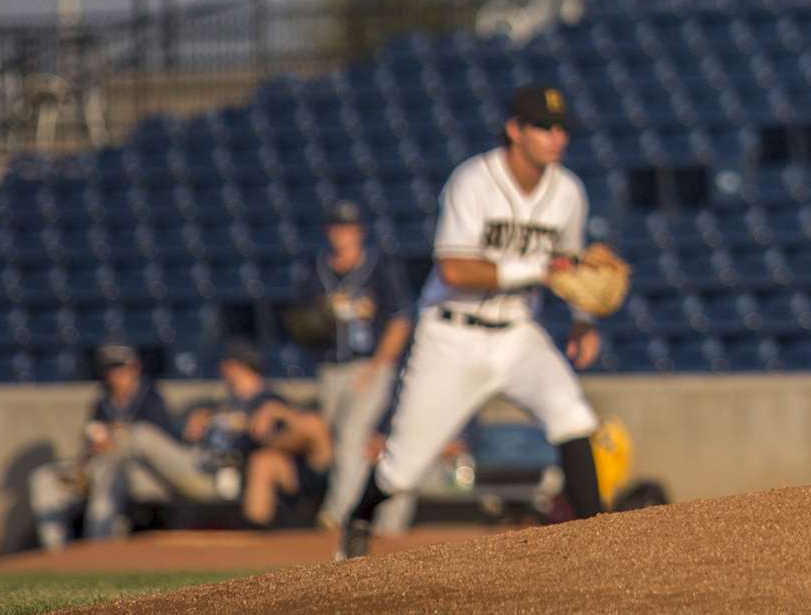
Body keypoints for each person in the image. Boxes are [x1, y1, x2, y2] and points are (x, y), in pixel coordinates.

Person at [335, 84, 615, 558]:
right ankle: (358, 517)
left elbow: (571, 266)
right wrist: (539, 271)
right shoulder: (473, 181)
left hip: (518, 332)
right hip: (452, 336)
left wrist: (584, 320)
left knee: (573, 416)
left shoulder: (568, 192)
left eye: (562, 128)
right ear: (514, 129)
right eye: (544, 127)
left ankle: (601, 542)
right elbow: (454, 268)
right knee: (403, 470)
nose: (555, 136)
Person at [27, 342, 220, 548]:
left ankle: (98, 550)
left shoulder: (150, 398)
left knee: (113, 469)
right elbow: (93, 444)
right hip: (97, 467)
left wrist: (116, 439)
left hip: (145, 476)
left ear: (135, 367)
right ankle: (57, 555)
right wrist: (91, 455)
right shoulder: (102, 402)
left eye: (121, 368)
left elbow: (156, 445)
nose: (116, 375)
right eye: (110, 369)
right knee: (44, 479)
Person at [299, 200, 414, 538]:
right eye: (337, 227)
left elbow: (400, 320)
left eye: (349, 228)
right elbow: (302, 324)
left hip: (369, 366)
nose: (343, 234)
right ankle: (378, 519)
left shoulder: (379, 268)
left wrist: (378, 366)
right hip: (331, 368)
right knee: (347, 443)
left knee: (353, 437)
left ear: (360, 231)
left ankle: (340, 513)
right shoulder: (316, 270)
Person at [182, 341, 333, 529]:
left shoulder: (269, 402)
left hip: (246, 471)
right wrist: (205, 420)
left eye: (229, 365)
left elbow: (301, 436)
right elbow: (198, 435)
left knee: (263, 461)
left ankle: (255, 536)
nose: (224, 370)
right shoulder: (225, 404)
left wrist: (268, 423)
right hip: (209, 464)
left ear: (238, 366)